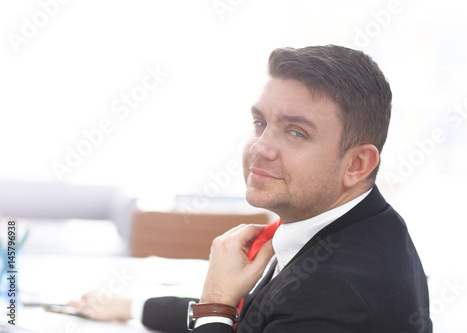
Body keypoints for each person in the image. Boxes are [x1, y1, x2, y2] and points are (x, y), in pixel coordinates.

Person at [69, 44, 432, 332]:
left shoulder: (333, 296)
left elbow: (248, 313)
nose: (259, 148)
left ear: (356, 165)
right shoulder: (363, 224)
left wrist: (215, 306)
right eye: (260, 123)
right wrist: (131, 307)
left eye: (296, 132)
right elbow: (253, 316)